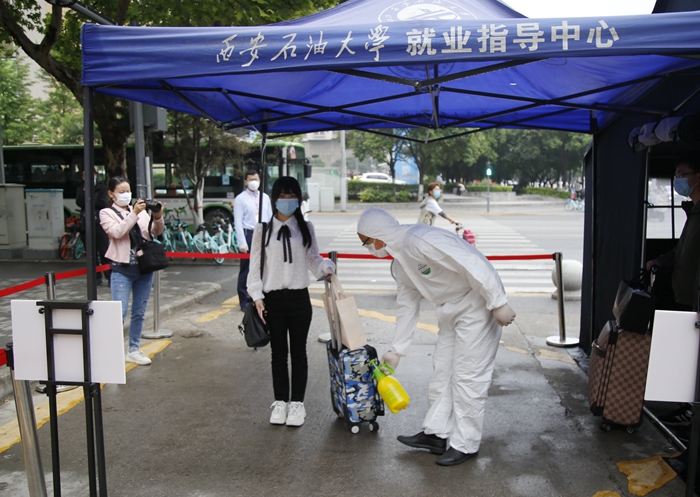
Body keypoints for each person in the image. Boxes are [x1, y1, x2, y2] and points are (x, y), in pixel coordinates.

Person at [357, 208, 516, 466]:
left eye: (365, 242)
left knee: (468, 376)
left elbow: (471, 261)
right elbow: (407, 305)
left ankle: (465, 444)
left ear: (376, 235)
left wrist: (497, 301)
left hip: (476, 304)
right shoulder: (400, 263)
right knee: (442, 371)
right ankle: (436, 434)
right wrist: (396, 350)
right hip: (449, 309)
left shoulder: (419, 240)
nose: (367, 248)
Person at [247, 176, 335, 427]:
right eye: (282, 196)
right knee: (278, 354)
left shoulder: (306, 227)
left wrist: (327, 267)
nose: (287, 200)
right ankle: (280, 402)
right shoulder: (262, 230)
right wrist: (257, 296)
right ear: (274, 199)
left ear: (298, 199)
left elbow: (313, 259)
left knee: (299, 353)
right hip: (272, 300)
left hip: (299, 299)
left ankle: (297, 403)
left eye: (292, 195)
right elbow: (255, 266)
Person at [100, 177, 165, 366]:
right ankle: (114, 353)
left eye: (128, 191)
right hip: (122, 269)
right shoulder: (106, 213)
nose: (126, 195)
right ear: (111, 194)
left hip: (144, 268)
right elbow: (117, 232)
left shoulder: (141, 212)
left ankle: (134, 350)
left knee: (139, 312)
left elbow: (155, 232)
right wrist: (134, 214)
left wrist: (158, 216)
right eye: (121, 191)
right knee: (118, 314)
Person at [646, 157, 700, 310]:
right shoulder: (693, 212)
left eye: (682, 175)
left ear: (698, 177)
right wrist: (662, 261)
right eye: (676, 176)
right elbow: (683, 248)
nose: (677, 180)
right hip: (687, 297)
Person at [234, 170, 272, 309]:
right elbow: (238, 222)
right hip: (249, 234)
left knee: (264, 267)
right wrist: (242, 242)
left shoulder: (265, 197)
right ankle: (245, 301)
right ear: (246, 182)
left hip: (264, 233)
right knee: (247, 269)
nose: (253, 182)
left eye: (256, 179)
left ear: (260, 181)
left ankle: (261, 298)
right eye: (250, 180)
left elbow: (270, 217)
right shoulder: (240, 199)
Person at [75, 169, 111, 285]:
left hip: (99, 224)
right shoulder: (81, 189)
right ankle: (96, 277)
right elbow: (79, 202)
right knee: (91, 253)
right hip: (86, 224)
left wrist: (89, 201)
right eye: (85, 175)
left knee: (104, 251)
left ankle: (109, 276)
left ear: (95, 175)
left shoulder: (102, 189)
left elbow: (103, 203)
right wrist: (86, 192)